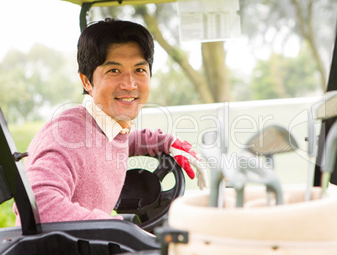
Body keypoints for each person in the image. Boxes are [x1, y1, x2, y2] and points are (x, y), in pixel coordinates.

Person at [13, 18, 206, 225]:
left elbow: (112, 142)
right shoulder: (68, 134)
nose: (130, 85)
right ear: (87, 81)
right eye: (114, 71)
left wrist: (164, 142)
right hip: (59, 254)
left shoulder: (104, 127)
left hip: (90, 249)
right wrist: (120, 229)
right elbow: (37, 207)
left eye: (139, 70)